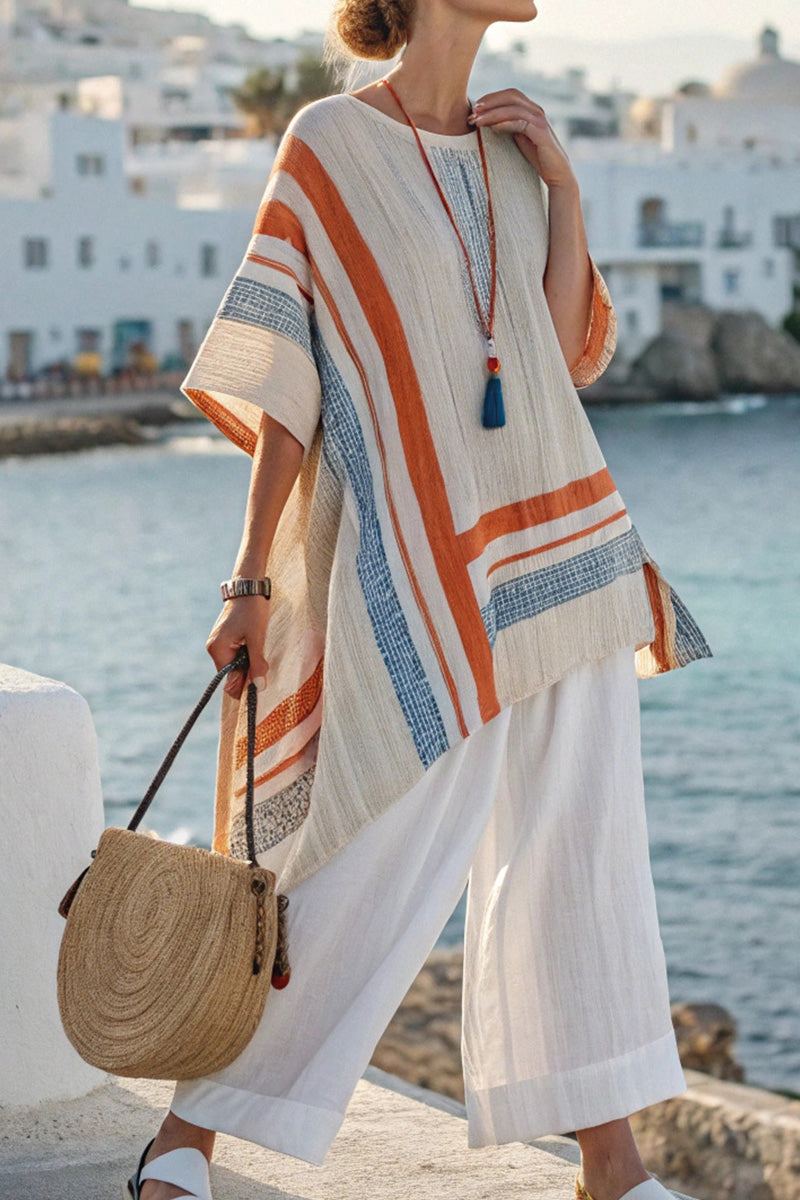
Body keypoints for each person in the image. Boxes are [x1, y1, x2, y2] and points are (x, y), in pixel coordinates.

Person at [129, 2, 711, 1198]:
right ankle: (190, 1130)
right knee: (362, 841)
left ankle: (610, 1164)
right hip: (418, 560)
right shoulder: (329, 143)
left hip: (562, 545)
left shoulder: (515, 149)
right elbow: (284, 376)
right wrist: (249, 576)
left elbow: (556, 357)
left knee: (578, 852)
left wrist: (564, 189)